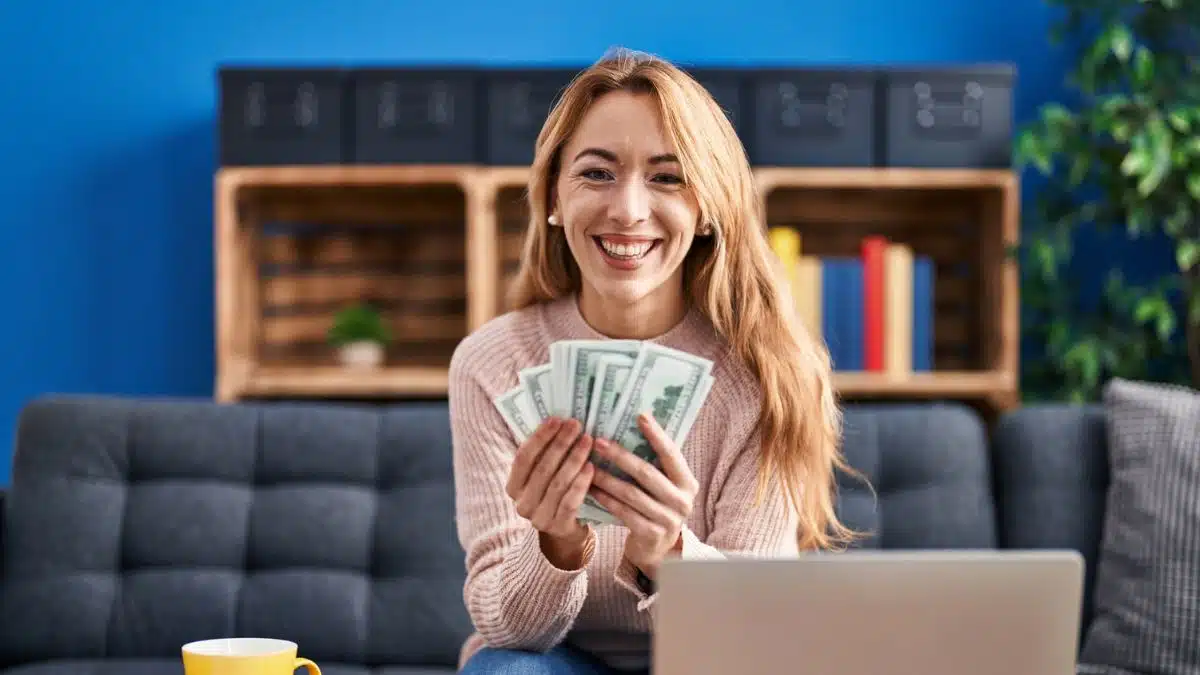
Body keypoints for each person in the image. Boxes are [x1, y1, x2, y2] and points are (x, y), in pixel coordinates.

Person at [447, 47, 856, 675]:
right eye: (597, 173)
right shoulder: (493, 364)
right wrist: (557, 545)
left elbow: (756, 631)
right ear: (554, 197)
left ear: (707, 212)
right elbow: (505, 629)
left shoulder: (765, 373)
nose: (628, 211)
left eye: (667, 177)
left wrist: (668, 551)